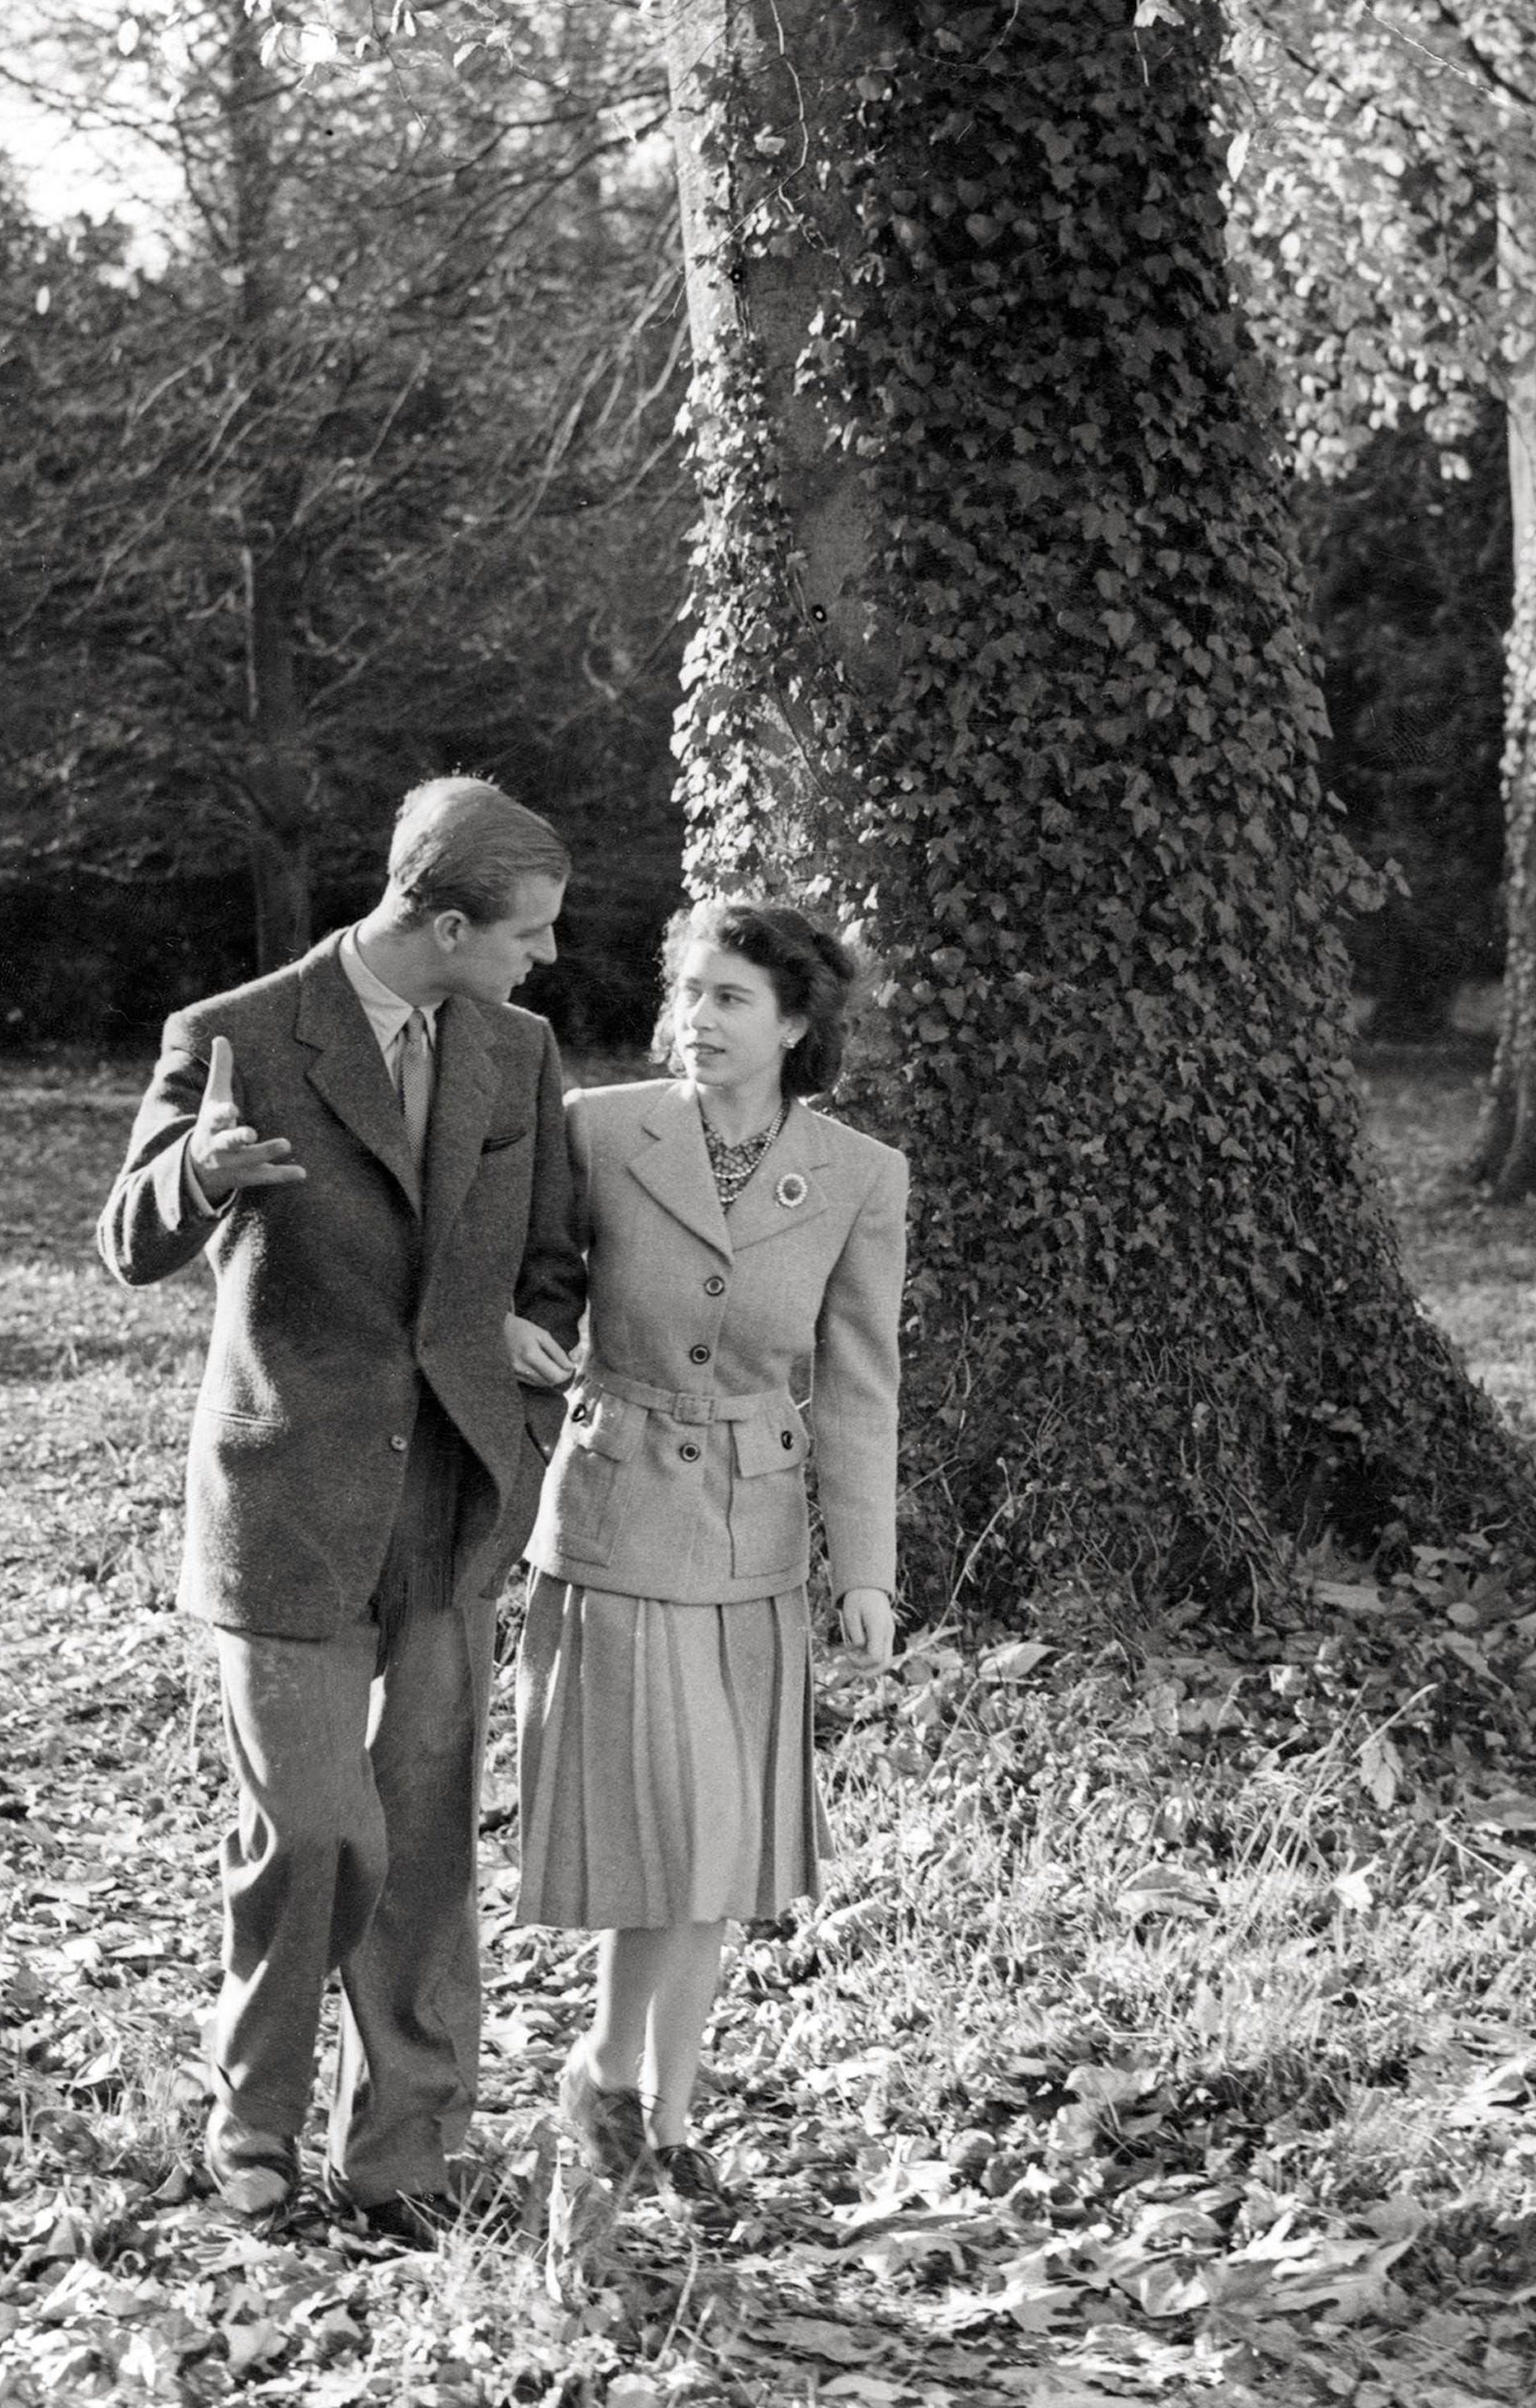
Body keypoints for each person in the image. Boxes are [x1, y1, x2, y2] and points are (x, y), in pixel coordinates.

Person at [97, 777, 583, 2236]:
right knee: (316, 1826)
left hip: (448, 1499)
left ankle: (406, 2146)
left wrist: (520, 1356)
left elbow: (546, 1258)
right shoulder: (235, 1033)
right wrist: (196, 1171)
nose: (546, 959)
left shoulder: (519, 1050)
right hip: (286, 1498)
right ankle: (252, 2116)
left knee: (426, 1836)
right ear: (442, 923)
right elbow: (127, 1241)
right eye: (528, 934)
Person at [507, 899, 907, 2206]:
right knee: (667, 1831)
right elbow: (531, 1285)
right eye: (686, 992)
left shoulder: (857, 1175)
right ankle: (610, 2076)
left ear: (796, 1024)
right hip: (620, 1509)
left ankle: (664, 2117)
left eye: (730, 997)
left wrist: (864, 1569)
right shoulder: (601, 1129)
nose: (697, 1020)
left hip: (755, 1532)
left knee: (720, 1849)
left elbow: (856, 1384)